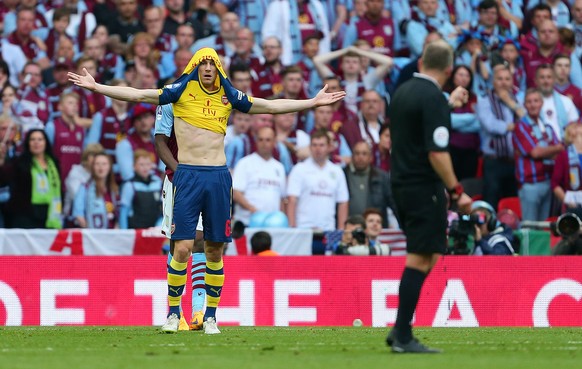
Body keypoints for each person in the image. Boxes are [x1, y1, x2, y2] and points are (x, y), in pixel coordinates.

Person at [68, 47, 345, 334]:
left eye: (213, 64)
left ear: (219, 69)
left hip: (218, 177)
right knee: (184, 248)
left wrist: (312, 102)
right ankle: (174, 314)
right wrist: (96, 86)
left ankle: (210, 316)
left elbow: (271, 106)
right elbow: (139, 94)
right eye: (203, 64)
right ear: (196, 68)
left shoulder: (229, 98)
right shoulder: (178, 94)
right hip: (187, 176)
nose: (208, 68)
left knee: (214, 250)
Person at [388, 40, 472, 353]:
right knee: (421, 257)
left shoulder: (403, 92)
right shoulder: (432, 97)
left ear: (422, 61)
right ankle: (403, 336)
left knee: (430, 254)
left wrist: (447, 104)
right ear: (450, 71)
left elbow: (415, 126)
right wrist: (457, 191)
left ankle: (399, 328)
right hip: (422, 186)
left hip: (401, 184)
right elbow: (437, 153)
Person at [155, 104, 206, 332]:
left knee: (201, 239)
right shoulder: (169, 102)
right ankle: (176, 311)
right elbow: (160, 143)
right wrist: (181, 172)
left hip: (206, 178)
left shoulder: (212, 100)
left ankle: (199, 310)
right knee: (179, 244)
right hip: (177, 180)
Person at [512, 88, 564, 221]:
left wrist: (549, 150)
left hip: (548, 181)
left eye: (536, 101)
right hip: (530, 185)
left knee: (544, 228)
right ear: (524, 105)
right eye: (529, 102)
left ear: (541, 103)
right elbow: (535, 152)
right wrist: (556, 148)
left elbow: (560, 155)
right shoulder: (521, 127)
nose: (533, 104)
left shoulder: (547, 127)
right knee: (530, 228)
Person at [286, 129, 349, 231]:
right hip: (303, 228)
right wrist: (292, 228)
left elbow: (343, 202)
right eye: (314, 145)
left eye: (321, 145)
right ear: (310, 147)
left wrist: (341, 230)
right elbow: (292, 200)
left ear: (329, 147)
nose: (317, 149)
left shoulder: (337, 171)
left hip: (328, 229)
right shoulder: (299, 169)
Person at [0, 129, 62, 229]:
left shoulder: (54, 163)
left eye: (40, 139)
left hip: (49, 215)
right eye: (32, 139)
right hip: (25, 216)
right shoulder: (20, 161)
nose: (36, 142)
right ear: (28, 143)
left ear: (46, 142)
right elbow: (3, 177)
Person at [232, 126, 287, 226]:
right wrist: (253, 210)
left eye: (268, 140)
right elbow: (236, 193)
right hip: (247, 223)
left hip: (273, 225)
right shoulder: (245, 163)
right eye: (260, 139)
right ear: (256, 141)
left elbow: (281, 199)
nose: (264, 143)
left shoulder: (279, 167)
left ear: (274, 142)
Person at [344, 141, 395, 228]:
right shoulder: (342, 175)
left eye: (364, 154)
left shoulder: (382, 177)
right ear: (352, 156)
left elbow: (394, 203)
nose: (360, 157)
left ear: (371, 157)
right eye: (357, 153)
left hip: (375, 230)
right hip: (349, 229)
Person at [72, 153, 119, 229]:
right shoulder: (85, 188)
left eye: (104, 164)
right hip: (93, 235)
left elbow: (119, 213)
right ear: (93, 167)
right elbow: (78, 214)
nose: (101, 167)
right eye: (97, 164)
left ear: (110, 167)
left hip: (112, 235)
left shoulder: (114, 190)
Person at [119, 149, 162, 229]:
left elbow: (163, 208)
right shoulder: (129, 185)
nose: (145, 167)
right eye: (141, 164)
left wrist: (159, 225)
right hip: (136, 231)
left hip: (154, 230)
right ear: (134, 166)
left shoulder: (158, 183)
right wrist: (124, 232)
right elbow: (124, 211)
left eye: (148, 164)